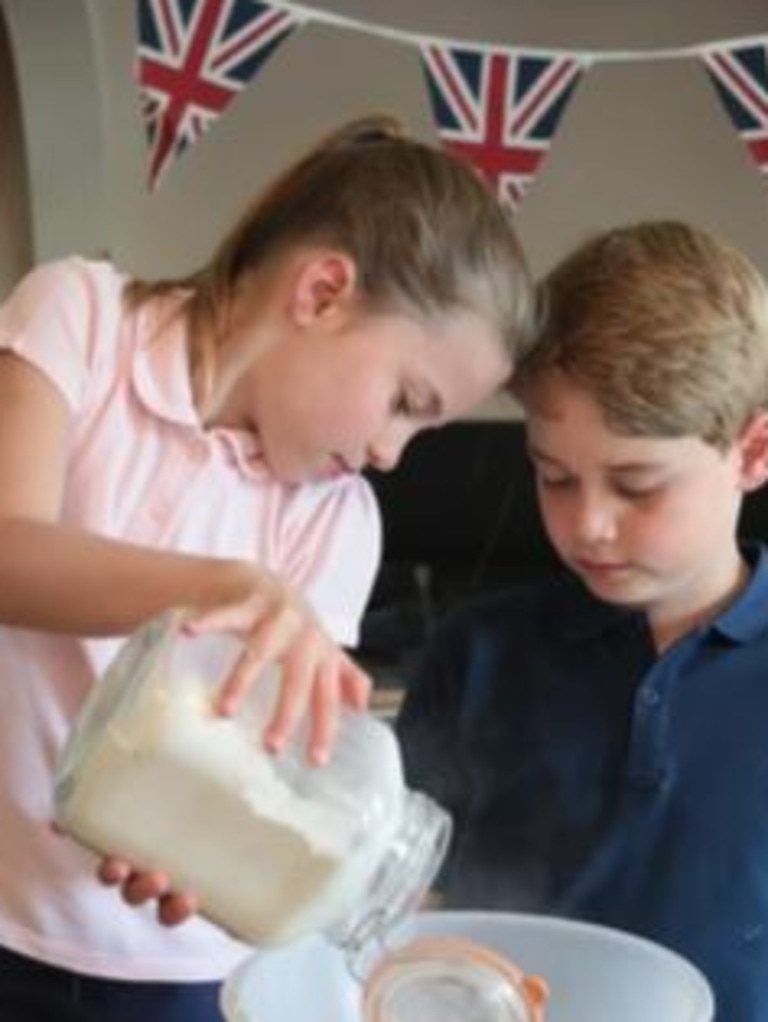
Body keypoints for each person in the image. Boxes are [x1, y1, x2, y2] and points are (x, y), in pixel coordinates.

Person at [0, 114, 535, 1022]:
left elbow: (276, 766)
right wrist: (222, 586)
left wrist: (194, 844)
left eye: (423, 428)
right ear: (324, 291)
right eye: (405, 401)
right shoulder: (82, 320)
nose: (392, 452)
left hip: (174, 974)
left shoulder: (337, 521)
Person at [396, 220, 768, 1022]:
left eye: (636, 485)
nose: (589, 523)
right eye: (555, 478)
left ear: (754, 451)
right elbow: (398, 904)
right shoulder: (478, 655)